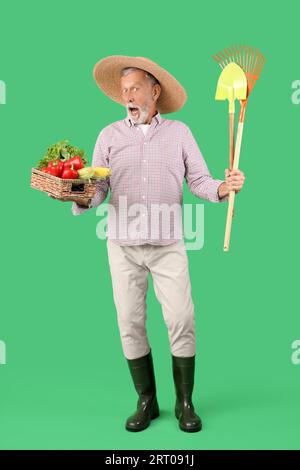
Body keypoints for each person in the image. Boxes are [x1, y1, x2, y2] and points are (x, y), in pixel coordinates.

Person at [51, 56, 245, 433]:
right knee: (129, 323)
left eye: (136, 88)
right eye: (124, 91)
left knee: (181, 319)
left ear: (155, 92)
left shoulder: (180, 134)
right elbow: (98, 189)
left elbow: (200, 181)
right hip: (122, 246)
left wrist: (224, 187)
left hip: (168, 243)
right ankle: (146, 401)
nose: (129, 96)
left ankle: (185, 402)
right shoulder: (108, 136)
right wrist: (76, 196)